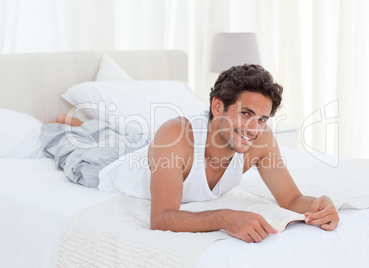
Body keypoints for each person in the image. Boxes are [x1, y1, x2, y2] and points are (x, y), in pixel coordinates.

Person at [42, 64, 339, 243]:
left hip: (149, 149)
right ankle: (70, 125)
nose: (254, 128)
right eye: (246, 113)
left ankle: (86, 123)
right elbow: (162, 218)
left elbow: (291, 200)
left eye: (262, 118)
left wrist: (319, 203)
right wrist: (225, 217)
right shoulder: (175, 136)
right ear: (217, 106)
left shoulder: (260, 140)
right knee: (72, 146)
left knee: (130, 137)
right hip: (113, 165)